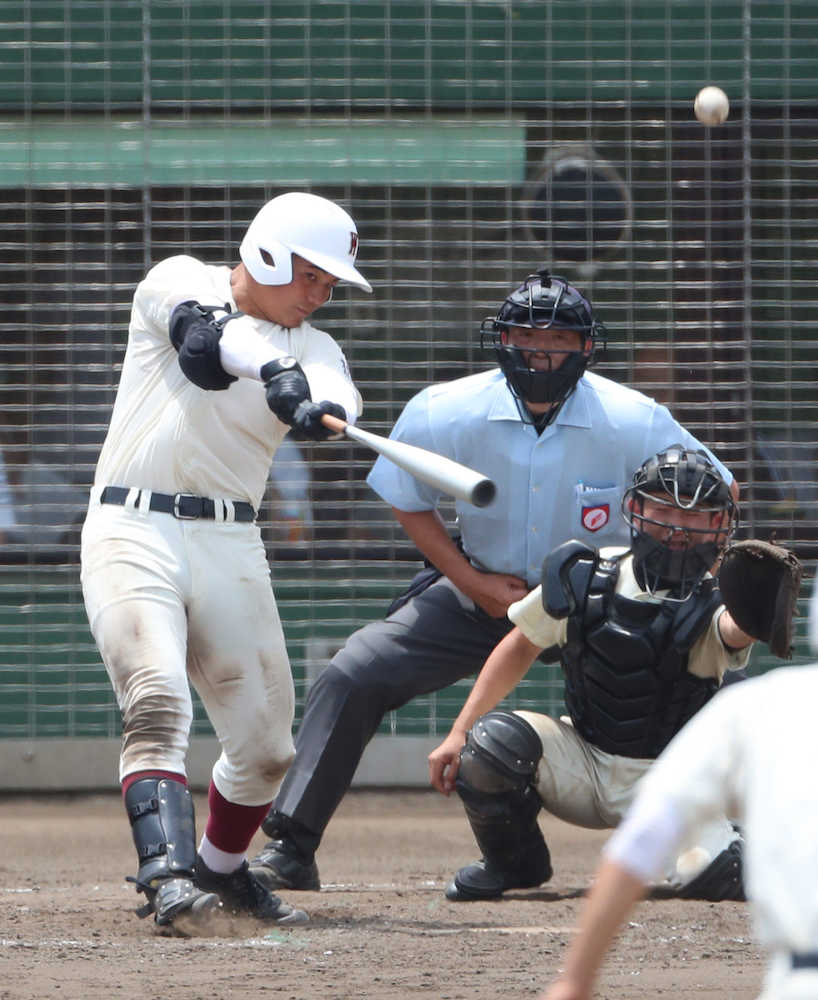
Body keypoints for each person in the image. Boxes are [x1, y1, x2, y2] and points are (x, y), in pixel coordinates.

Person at [248, 269, 740, 894]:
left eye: (560, 341)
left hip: (603, 605)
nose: (543, 354)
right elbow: (406, 497)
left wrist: (675, 597)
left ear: (586, 348)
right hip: (484, 591)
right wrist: (470, 580)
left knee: (723, 688)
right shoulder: (444, 410)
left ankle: (747, 836)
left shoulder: (632, 418)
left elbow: (717, 490)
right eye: (529, 339)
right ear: (501, 341)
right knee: (356, 671)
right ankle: (291, 845)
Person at [80, 191, 371, 929]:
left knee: (269, 745)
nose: (319, 295)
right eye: (311, 276)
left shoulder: (316, 348)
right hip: (131, 524)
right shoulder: (178, 277)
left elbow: (339, 390)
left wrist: (318, 406)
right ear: (269, 250)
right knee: (157, 699)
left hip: (230, 538)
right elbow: (205, 347)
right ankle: (167, 877)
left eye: (330, 284)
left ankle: (221, 870)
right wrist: (275, 373)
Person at [428, 445, 762, 904]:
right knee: (491, 746)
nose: (678, 527)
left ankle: (738, 840)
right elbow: (520, 644)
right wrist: (458, 732)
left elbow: (735, 631)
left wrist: (756, 604)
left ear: (720, 525)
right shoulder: (586, 575)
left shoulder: (718, 601)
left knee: (721, 879)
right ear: (636, 509)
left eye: (698, 515)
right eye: (664, 508)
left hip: (672, 784)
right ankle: (514, 862)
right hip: (583, 762)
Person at [540, 661, 818, 1000]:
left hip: (800, 980)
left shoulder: (761, 703)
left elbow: (643, 839)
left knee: (720, 865)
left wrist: (574, 981)